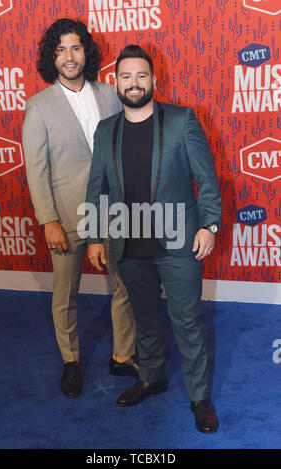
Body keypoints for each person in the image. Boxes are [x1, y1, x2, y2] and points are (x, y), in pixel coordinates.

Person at [86, 45, 222, 433]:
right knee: (145, 320)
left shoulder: (181, 120)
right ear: (115, 83)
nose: (133, 83)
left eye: (141, 75)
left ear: (154, 81)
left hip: (179, 243)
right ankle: (152, 378)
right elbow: (96, 188)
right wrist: (96, 236)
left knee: (188, 323)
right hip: (129, 246)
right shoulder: (105, 130)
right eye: (126, 76)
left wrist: (209, 226)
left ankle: (199, 398)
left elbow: (208, 180)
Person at [22, 19, 138, 398]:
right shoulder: (39, 107)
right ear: (51, 58)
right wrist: (48, 220)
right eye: (60, 51)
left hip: (114, 210)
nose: (69, 57)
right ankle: (71, 361)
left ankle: (123, 355)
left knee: (125, 286)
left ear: (86, 51)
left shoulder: (109, 93)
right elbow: (36, 169)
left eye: (75, 48)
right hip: (68, 216)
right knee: (65, 293)